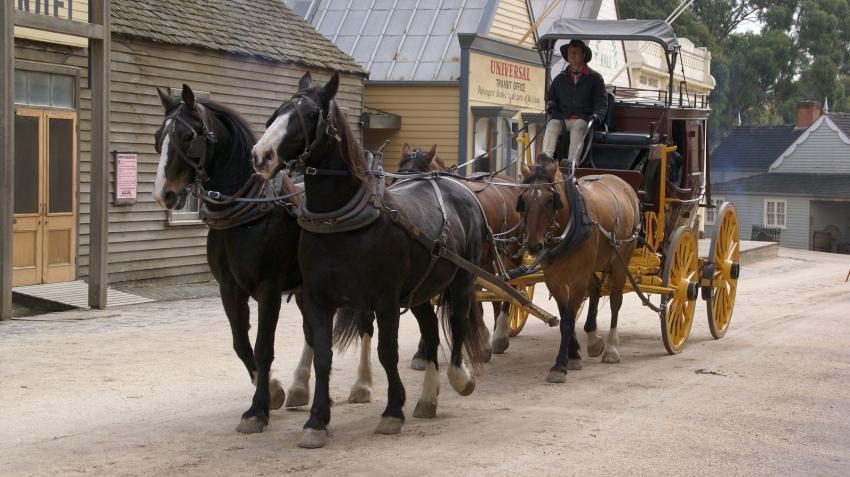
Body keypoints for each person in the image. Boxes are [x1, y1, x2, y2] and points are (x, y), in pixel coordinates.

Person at [540, 39, 608, 168]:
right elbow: (551, 98)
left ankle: (571, 164)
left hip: (583, 118)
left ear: (584, 56)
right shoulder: (560, 79)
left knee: (577, 127)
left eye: (576, 52)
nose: (572, 55)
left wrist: (596, 117)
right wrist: (551, 105)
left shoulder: (595, 79)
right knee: (552, 124)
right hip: (562, 118)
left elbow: (601, 103)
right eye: (570, 53)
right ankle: (546, 160)